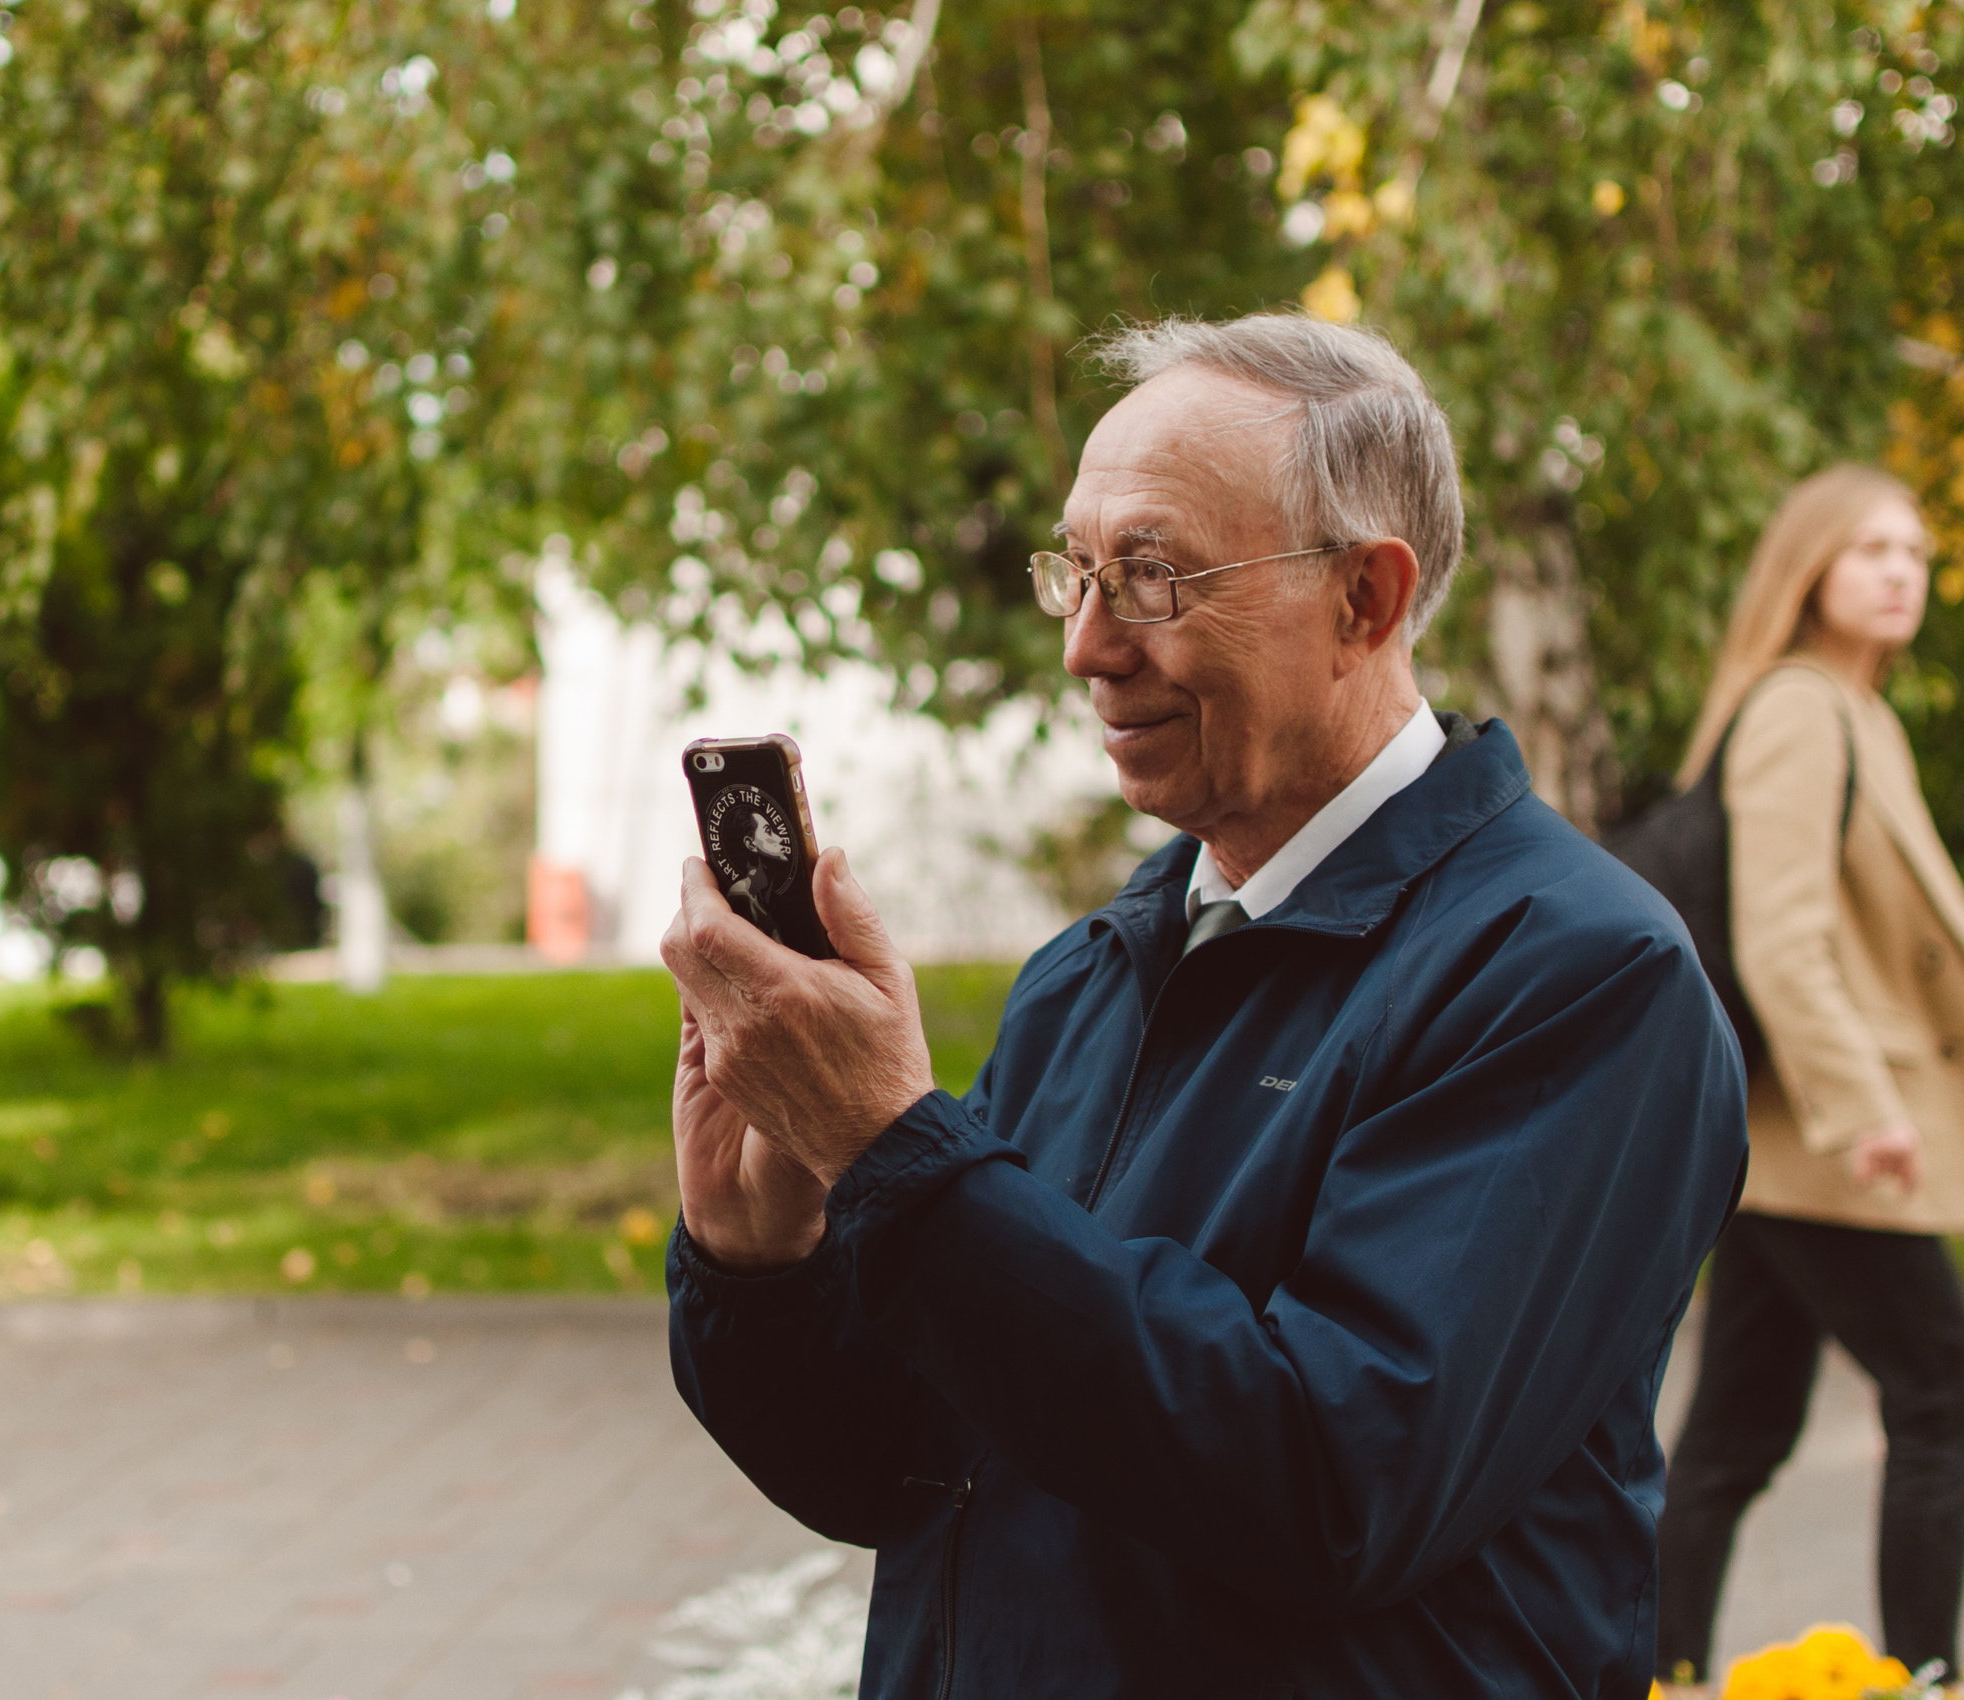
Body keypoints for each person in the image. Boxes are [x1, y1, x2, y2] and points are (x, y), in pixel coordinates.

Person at [658, 311, 1750, 1698]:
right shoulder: (1093, 970)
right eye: (1079, 574)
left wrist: (900, 1155)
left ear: (1366, 598)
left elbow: (1332, 1485)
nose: (1089, 648)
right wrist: (764, 1256)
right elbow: (903, 1470)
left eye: (1156, 578)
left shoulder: (1575, 976)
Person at [1653, 465, 1964, 1691]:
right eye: (1868, 549)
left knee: (1731, 1437)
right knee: (1947, 1399)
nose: (1900, 570)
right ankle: (1923, 1675)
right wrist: (1865, 1112)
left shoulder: (1861, 715)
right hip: (1826, 1138)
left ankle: (1647, 1669)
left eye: (1913, 550)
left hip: (1791, 1142)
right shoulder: (1801, 710)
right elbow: (1782, 938)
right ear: (1807, 569)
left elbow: (1947, 926)